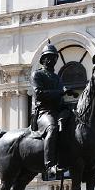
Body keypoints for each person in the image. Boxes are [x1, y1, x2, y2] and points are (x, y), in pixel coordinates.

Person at [31, 43, 67, 179]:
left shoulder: (57, 78)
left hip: (57, 111)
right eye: (49, 57)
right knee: (52, 128)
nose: (52, 60)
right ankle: (49, 165)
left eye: (54, 58)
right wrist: (60, 93)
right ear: (43, 59)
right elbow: (39, 94)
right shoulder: (37, 75)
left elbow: (60, 98)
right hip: (44, 112)